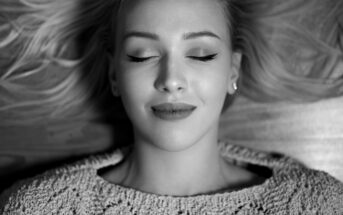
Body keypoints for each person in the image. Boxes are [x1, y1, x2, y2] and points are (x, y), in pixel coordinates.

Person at [0, 0, 342, 214]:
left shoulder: (318, 204)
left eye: (200, 54)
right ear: (114, 74)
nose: (171, 80)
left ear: (233, 71)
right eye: (141, 55)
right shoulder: (36, 208)